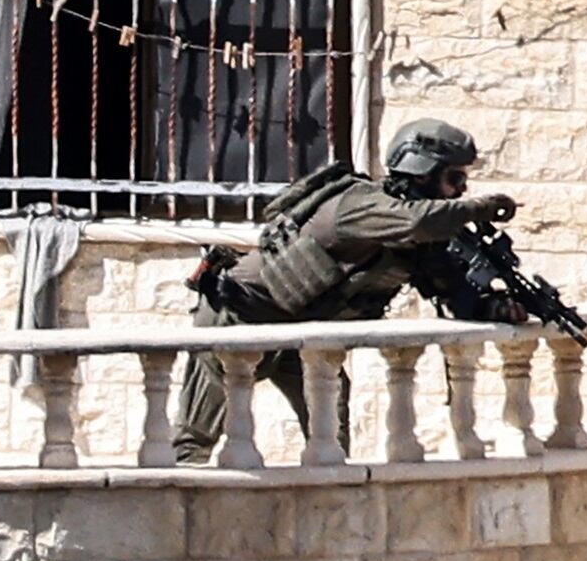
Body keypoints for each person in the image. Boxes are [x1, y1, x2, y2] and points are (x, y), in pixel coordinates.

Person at [174, 118, 526, 464]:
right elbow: (419, 220)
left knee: (330, 445)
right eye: (455, 178)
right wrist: (479, 208)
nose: (461, 190)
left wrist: (495, 307)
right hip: (236, 316)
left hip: (300, 335)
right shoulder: (361, 203)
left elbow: (452, 292)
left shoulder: (417, 239)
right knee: (194, 442)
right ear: (422, 172)